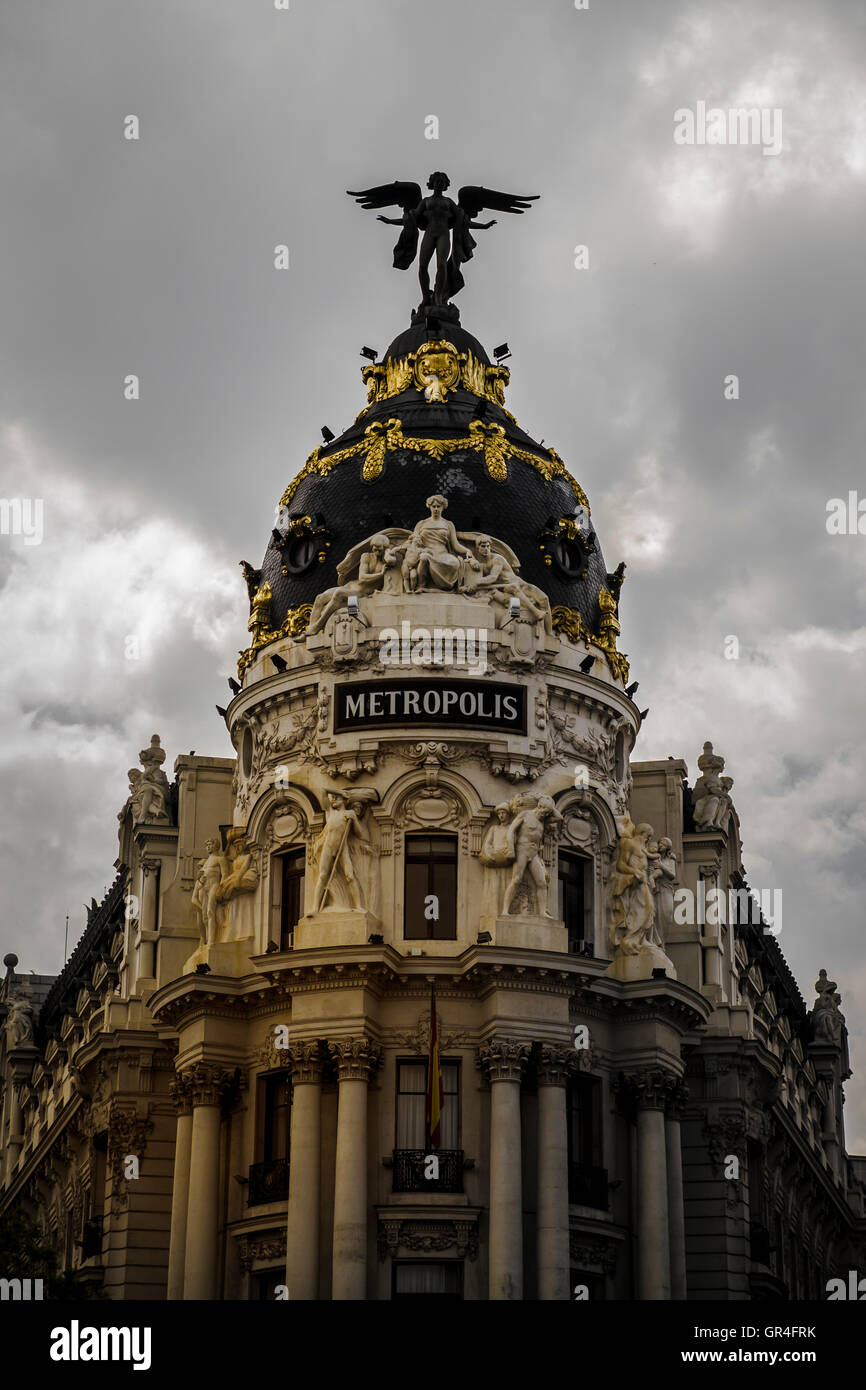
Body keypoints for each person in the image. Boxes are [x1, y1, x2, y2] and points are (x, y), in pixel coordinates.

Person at [403, 495, 480, 593]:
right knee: (424, 557)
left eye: (438, 506)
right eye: (433, 506)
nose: (436, 509)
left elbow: (455, 545)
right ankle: (420, 585)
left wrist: (467, 550)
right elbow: (412, 541)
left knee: (455, 562)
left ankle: (446, 585)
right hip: (427, 552)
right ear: (429, 507)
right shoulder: (421, 524)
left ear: (443, 507)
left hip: (443, 555)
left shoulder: (448, 524)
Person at [503, 795, 562, 918]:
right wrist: (510, 848)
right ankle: (505, 910)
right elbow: (511, 830)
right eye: (544, 812)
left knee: (541, 882)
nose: (545, 815)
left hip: (534, 853)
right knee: (516, 879)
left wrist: (548, 801)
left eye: (547, 814)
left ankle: (542, 912)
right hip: (522, 850)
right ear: (538, 806)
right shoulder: (525, 815)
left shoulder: (544, 819)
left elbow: (559, 817)